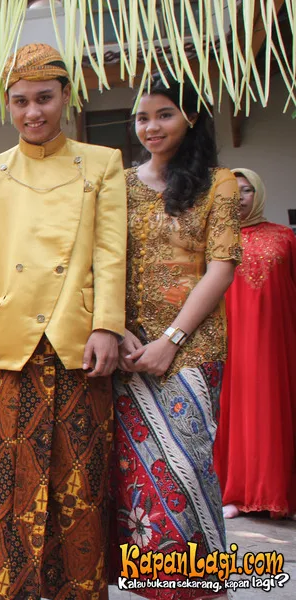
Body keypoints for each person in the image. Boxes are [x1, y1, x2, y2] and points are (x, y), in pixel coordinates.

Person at [0, 43, 127, 599]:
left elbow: (110, 253)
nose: (33, 113)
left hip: (77, 341)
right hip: (9, 343)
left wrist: (107, 324)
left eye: (44, 99)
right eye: (20, 101)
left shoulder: (102, 163)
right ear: (7, 106)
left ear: (65, 98)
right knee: (4, 480)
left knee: (79, 480)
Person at [111, 74, 240, 598]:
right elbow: (102, 262)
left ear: (189, 117)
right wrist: (115, 330)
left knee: (187, 473)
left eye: (164, 114)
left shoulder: (220, 183)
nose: (151, 126)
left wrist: (171, 340)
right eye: (142, 117)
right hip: (127, 349)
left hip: (191, 349)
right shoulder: (118, 184)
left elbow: (220, 269)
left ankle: (202, 587)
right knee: (139, 479)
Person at [214, 168, 296, 520]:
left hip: (277, 342)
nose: (241, 197)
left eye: (247, 190)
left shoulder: (285, 238)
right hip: (229, 341)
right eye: (233, 191)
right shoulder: (214, 239)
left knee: (275, 410)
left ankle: (280, 495)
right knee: (232, 409)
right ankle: (236, 492)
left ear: (258, 193)